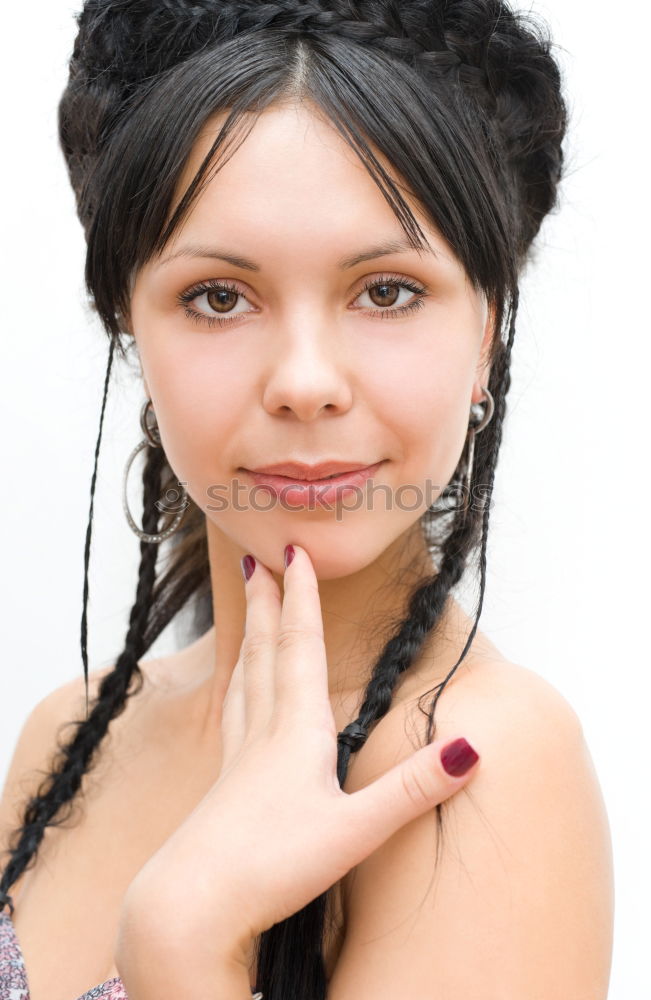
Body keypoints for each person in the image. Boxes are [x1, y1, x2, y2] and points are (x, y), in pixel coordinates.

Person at [0, 1, 614, 998]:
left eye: (385, 291)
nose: (304, 380)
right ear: (128, 321)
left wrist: (185, 950)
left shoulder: (481, 770)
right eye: (218, 296)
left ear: (488, 323)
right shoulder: (69, 737)